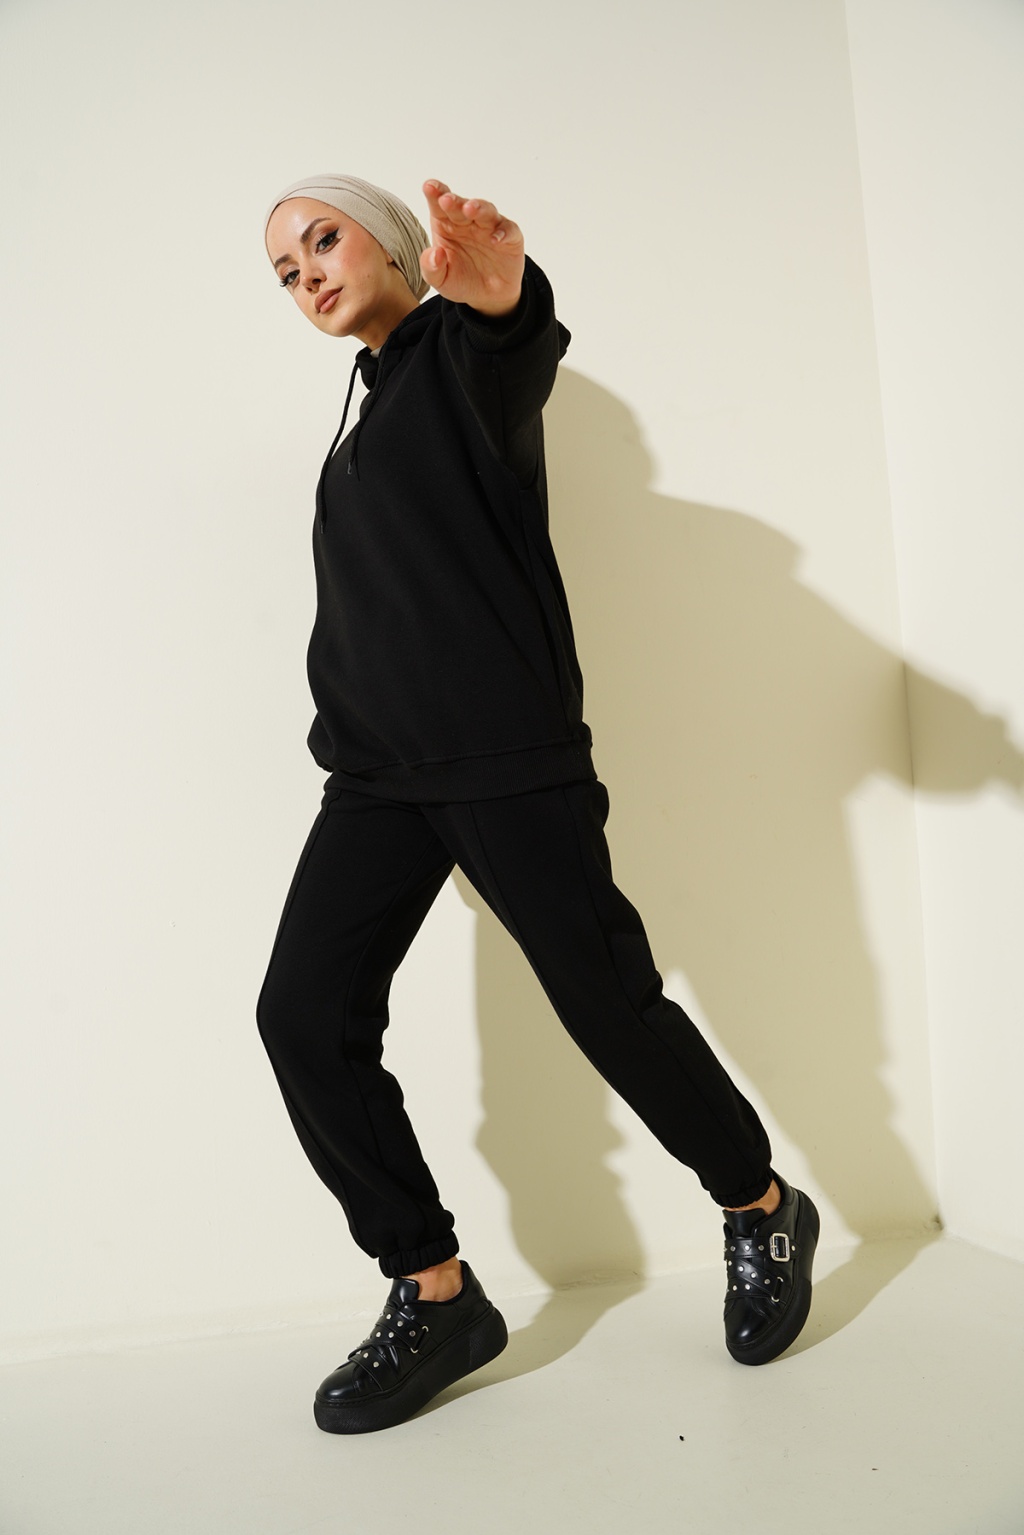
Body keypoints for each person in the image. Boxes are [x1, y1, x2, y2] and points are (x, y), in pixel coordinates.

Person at [258, 173, 820, 1435]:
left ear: (391, 241)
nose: (308, 275)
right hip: (378, 779)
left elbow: (513, 349)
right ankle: (434, 1287)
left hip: (506, 760)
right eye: (286, 272)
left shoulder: (459, 360)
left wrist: (504, 297)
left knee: (607, 1006)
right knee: (300, 1014)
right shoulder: (362, 414)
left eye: (323, 240)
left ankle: (760, 1205)